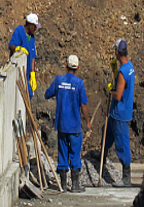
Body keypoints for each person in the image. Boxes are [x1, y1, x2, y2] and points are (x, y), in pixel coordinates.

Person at [44, 55, 92, 192]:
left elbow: (47, 94)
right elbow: (83, 104)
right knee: (75, 154)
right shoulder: (79, 83)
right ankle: (75, 185)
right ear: (77, 67)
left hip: (62, 125)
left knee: (62, 153)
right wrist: (87, 121)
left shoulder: (59, 80)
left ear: (66, 65)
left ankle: (63, 185)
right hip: (74, 126)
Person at [103, 38, 135, 187]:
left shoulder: (123, 72)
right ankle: (102, 157)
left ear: (117, 52)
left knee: (122, 144)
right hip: (121, 111)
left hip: (119, 113)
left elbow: (118, 95)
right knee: (107, 133)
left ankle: (126, 177)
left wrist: (111, 89)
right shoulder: (129, 67)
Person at [9, 13, 40, 98]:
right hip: (20, 72)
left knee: (29, 94)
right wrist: (17, 49)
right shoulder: (19, 31)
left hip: (27, 73)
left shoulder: (31, 38)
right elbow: (11, 45)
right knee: (25, 95)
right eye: (35, 26)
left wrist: (33, 74)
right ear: (30, 25)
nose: (36, 29)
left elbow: (33, 57)